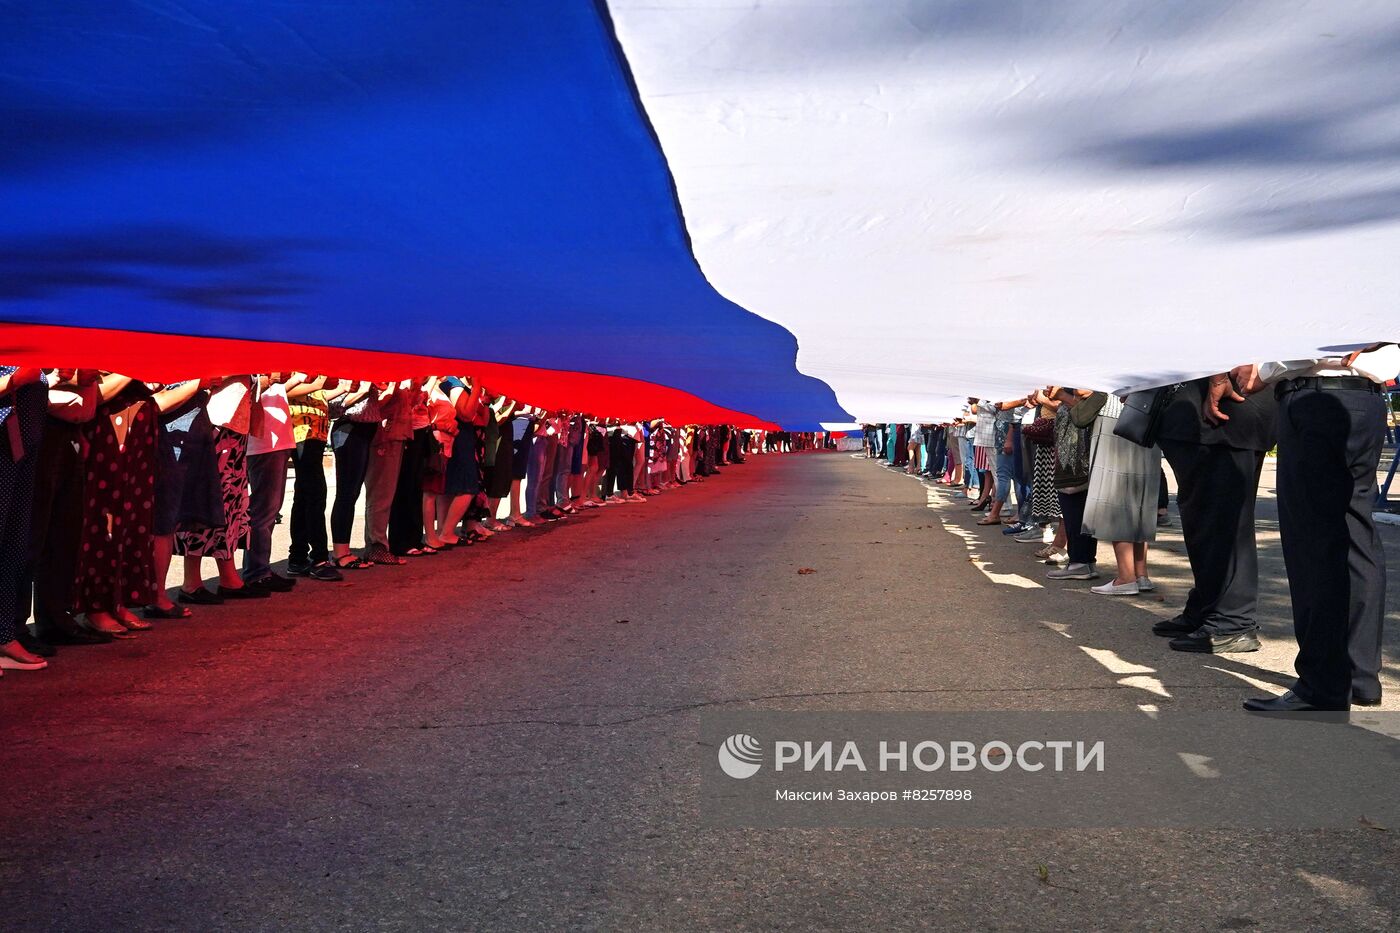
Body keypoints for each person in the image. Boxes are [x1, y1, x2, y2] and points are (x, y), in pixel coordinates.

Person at [1232, 345, 1400, 712]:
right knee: (1357, 537)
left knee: (1313, 543)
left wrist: (1264, 368)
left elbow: (1312, 341)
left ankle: (1322, 684)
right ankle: (1360, 676)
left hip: (1315, 398)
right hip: (1366, 399)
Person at [1151, 376, 1276, 653]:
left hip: (1222, 415)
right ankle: (1208, 608)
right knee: (1204, 521)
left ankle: (1232, 621)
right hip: (1204, 413)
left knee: (1223, 523)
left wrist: (1219, 374)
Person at [1081, 394, 1162, 596]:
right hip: (1151, 413)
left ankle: (1126, 577)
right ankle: (1140, 574)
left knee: (1116, 496)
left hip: (1116, 415)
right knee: (1139, 497)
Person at [0, 366, 51, 672]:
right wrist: (16, 380)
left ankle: (4, 636)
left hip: (21, 450)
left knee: (13, 548)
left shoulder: (28, 342)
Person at [243, 374, 298, 590]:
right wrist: (271, 379)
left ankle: (260, 568)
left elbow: (279, 390)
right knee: (263, 511)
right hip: (263, 442)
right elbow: (246, 388)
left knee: (270, 510)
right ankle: (257, 571)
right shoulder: (255, 363)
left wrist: (297, 379)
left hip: (277, 441)